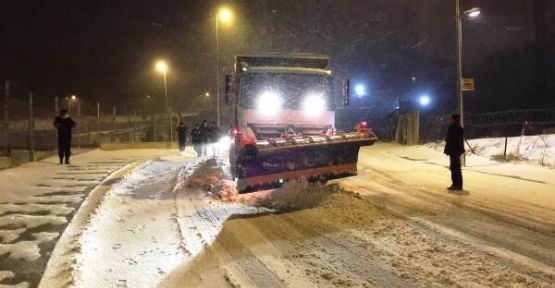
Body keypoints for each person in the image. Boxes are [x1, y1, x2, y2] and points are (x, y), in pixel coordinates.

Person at [444, 114, 465, 191]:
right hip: (453, 150)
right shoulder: (453, 127)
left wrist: (451, 148)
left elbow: (454, 140)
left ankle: (458, 185)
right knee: (453, 167)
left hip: (455, 150)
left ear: (455, 119)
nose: (450, 120)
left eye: (451, 119)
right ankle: (455, 184)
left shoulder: (457, 128)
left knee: (456, 168)